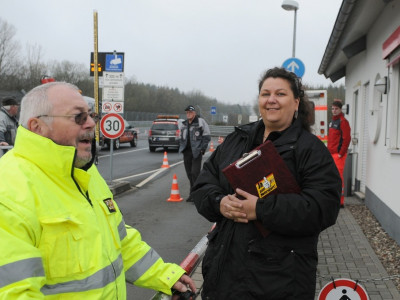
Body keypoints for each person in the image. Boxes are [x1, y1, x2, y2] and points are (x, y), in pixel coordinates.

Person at [0, 82, 195, 299]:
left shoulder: (86, 173)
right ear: (38, 126)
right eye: (78, 117)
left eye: (91, 115)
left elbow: (120, 243)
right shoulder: (8, 192)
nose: (92, 123)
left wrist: (166, 276)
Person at [191, 67, 341, 299]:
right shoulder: (236, 140)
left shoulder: (310, 150)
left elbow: (323, 207)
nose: (271, 100)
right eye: (265, 94)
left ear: (296, 102)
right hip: (224, 279)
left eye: (280, 94)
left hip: (278, 283)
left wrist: (260, 209)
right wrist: (219, 203)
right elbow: (203, 184)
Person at [179, 105, 211, 202]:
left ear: (194, 113)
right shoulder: (184, 124)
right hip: (186, 152)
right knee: (189, 174)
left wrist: (202, 149)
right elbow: (181, 137)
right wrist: (181, 147)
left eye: (190, 112)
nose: (188, 114)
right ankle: (192, 194)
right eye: (187, 112)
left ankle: (197, 195)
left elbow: (207, 136)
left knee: (195, 173)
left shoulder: (201, 122)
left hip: (196, 152)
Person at [327, 99, 351, 208]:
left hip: (338, 155)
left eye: (336, 109)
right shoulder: (332, 122)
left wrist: (341, 153)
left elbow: (346, 139)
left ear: (341, 109)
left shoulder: (343, 122)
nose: (334, 110)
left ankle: (340, 201)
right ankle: (333, 198)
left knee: (338, 178)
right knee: (331, 177)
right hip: (331, 154)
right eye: (332, 108)